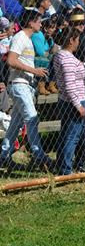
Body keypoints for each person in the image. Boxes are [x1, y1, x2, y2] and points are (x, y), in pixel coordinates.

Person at [0, 10, 54, 171]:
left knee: (15, 124)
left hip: (25, 85)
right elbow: (11, 60)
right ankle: (39, 156)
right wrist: (33, 70)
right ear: (31, 22)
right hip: (19, 84)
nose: (41, 24)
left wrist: (33, 70)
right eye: (39, 21)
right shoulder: (20, 38)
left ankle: (3, 156)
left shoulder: (28, 40)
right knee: (32, 118)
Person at [51, 28, 85, 174]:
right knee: (72, 136)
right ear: (71, 40)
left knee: (65, 134)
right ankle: (66, 169)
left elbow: (81, 69)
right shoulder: (67, 58)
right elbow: (70, 85)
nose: (79, 42)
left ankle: (61, 165)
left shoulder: (61, 56)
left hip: (66, 101)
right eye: (77, 39)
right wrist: (79, 106)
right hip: (74, 102)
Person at [31, 16, 57, 95]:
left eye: (54, 28)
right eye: (52, 28)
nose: (54, 30)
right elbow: (40, 53)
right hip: (34, 59)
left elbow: (52, 51)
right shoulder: (38, 35)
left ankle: (51, 84)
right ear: (45, 28)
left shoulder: (49, 38)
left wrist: (51, 52)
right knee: (43, 60)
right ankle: (41, 85)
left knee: (56, 59)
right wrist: (50, 52)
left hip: (44, 58)